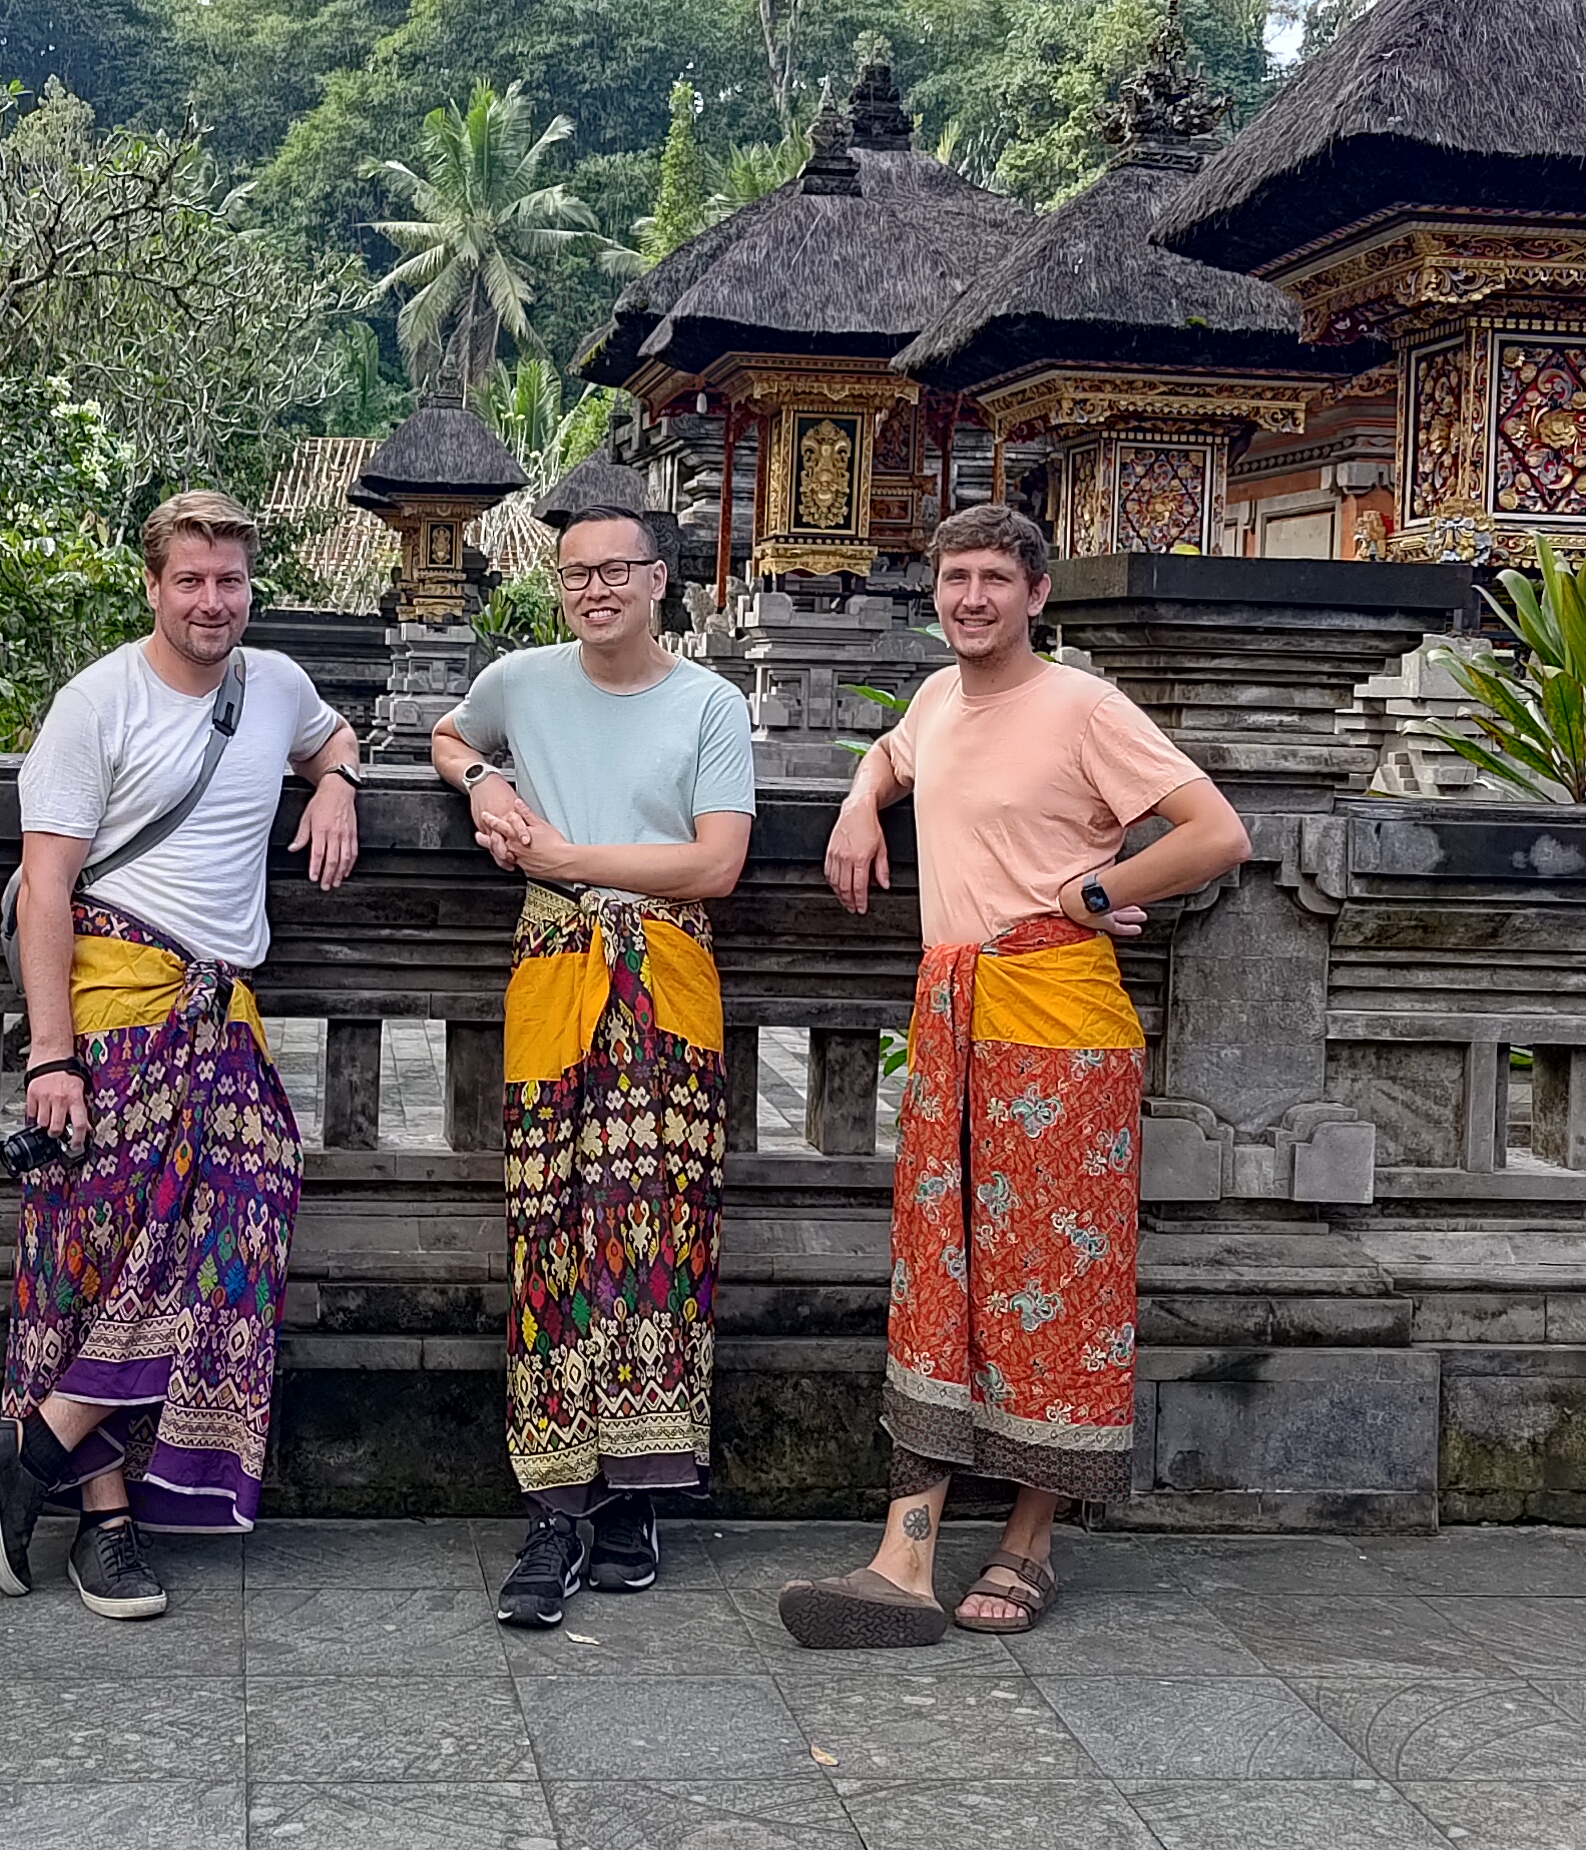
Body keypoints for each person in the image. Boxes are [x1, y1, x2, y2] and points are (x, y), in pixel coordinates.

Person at [778, 503, 1250, 1648]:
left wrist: (1090, 892)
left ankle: (1030, 1540)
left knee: (1054, 1281)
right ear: (934, 592)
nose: (972, 597)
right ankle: (903, 1556)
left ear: (1036, 594)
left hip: (1057, 1022)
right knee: (940, 1275)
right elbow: (894, 755)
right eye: (955, 578)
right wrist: (858, 801)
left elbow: (1215, 831)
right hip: (953, 1018)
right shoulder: (936, 701)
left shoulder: (1082, 706)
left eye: (995, 578)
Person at [0, 489, 362, 1619]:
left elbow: (332, 733)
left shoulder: (272, 684)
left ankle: (35, 1445)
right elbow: (47, 886)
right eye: (190, 580)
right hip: (112, 1006)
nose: (211, 601)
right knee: (94, 1259)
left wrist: (336, 782)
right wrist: (51, 1058)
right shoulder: (97, 703)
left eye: (230, 581)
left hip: (219, 1015)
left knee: (242, 1223)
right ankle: (104, 1525)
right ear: (152, 585)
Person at [427, 500, 757, 1630]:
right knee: (549, 1234)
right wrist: (483, 783)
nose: (596, 590)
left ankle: (638, 1495)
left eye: (618, 570)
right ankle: (555, 1504)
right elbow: (449, 735)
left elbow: (716, 863)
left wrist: (567, 855)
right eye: (576, 574)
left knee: (659, 1232)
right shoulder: (521, 682)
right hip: (555, 977)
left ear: (661, 580)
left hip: (663, 981)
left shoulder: (710, 703)